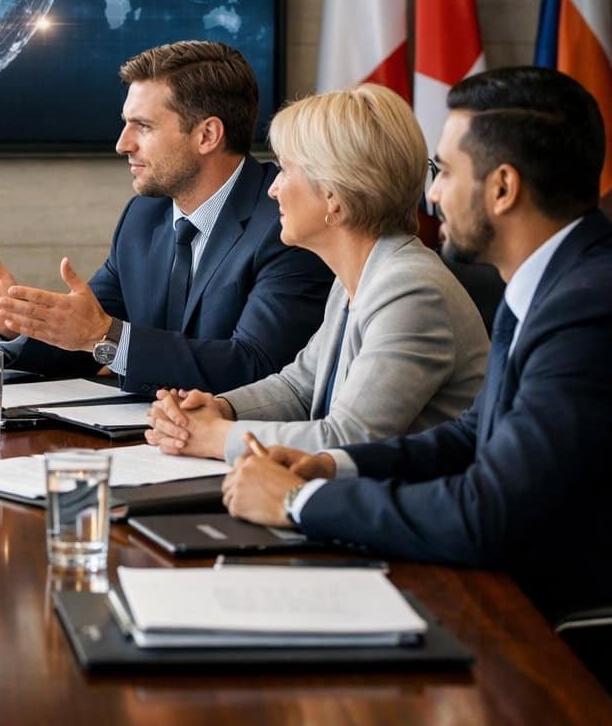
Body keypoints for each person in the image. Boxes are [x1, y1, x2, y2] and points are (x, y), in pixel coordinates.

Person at [222, 67, 612, 624]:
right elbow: (470, 435)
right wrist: (331, 467)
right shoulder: (549, 283)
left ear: (502, 188)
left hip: (548, 623)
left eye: (445, 172)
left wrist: (296, 501)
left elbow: (488, 513)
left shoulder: (587, 307)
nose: (429, 194)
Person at [0, 41, 331, 394]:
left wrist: (103, 334)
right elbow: (85, 336)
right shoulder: (144, 217)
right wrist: (16, 325)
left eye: (143, 126)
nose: (122, 144)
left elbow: (257, 368)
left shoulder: (287, 221)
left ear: (207, 135)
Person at [144, 84, 488, 462]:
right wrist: (220, 409)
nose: (273, 189)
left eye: (286, 170)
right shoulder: (357, 276)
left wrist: (216, 437)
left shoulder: (410, 290)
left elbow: (349, 438)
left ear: (334, 197)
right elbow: (299, 386)